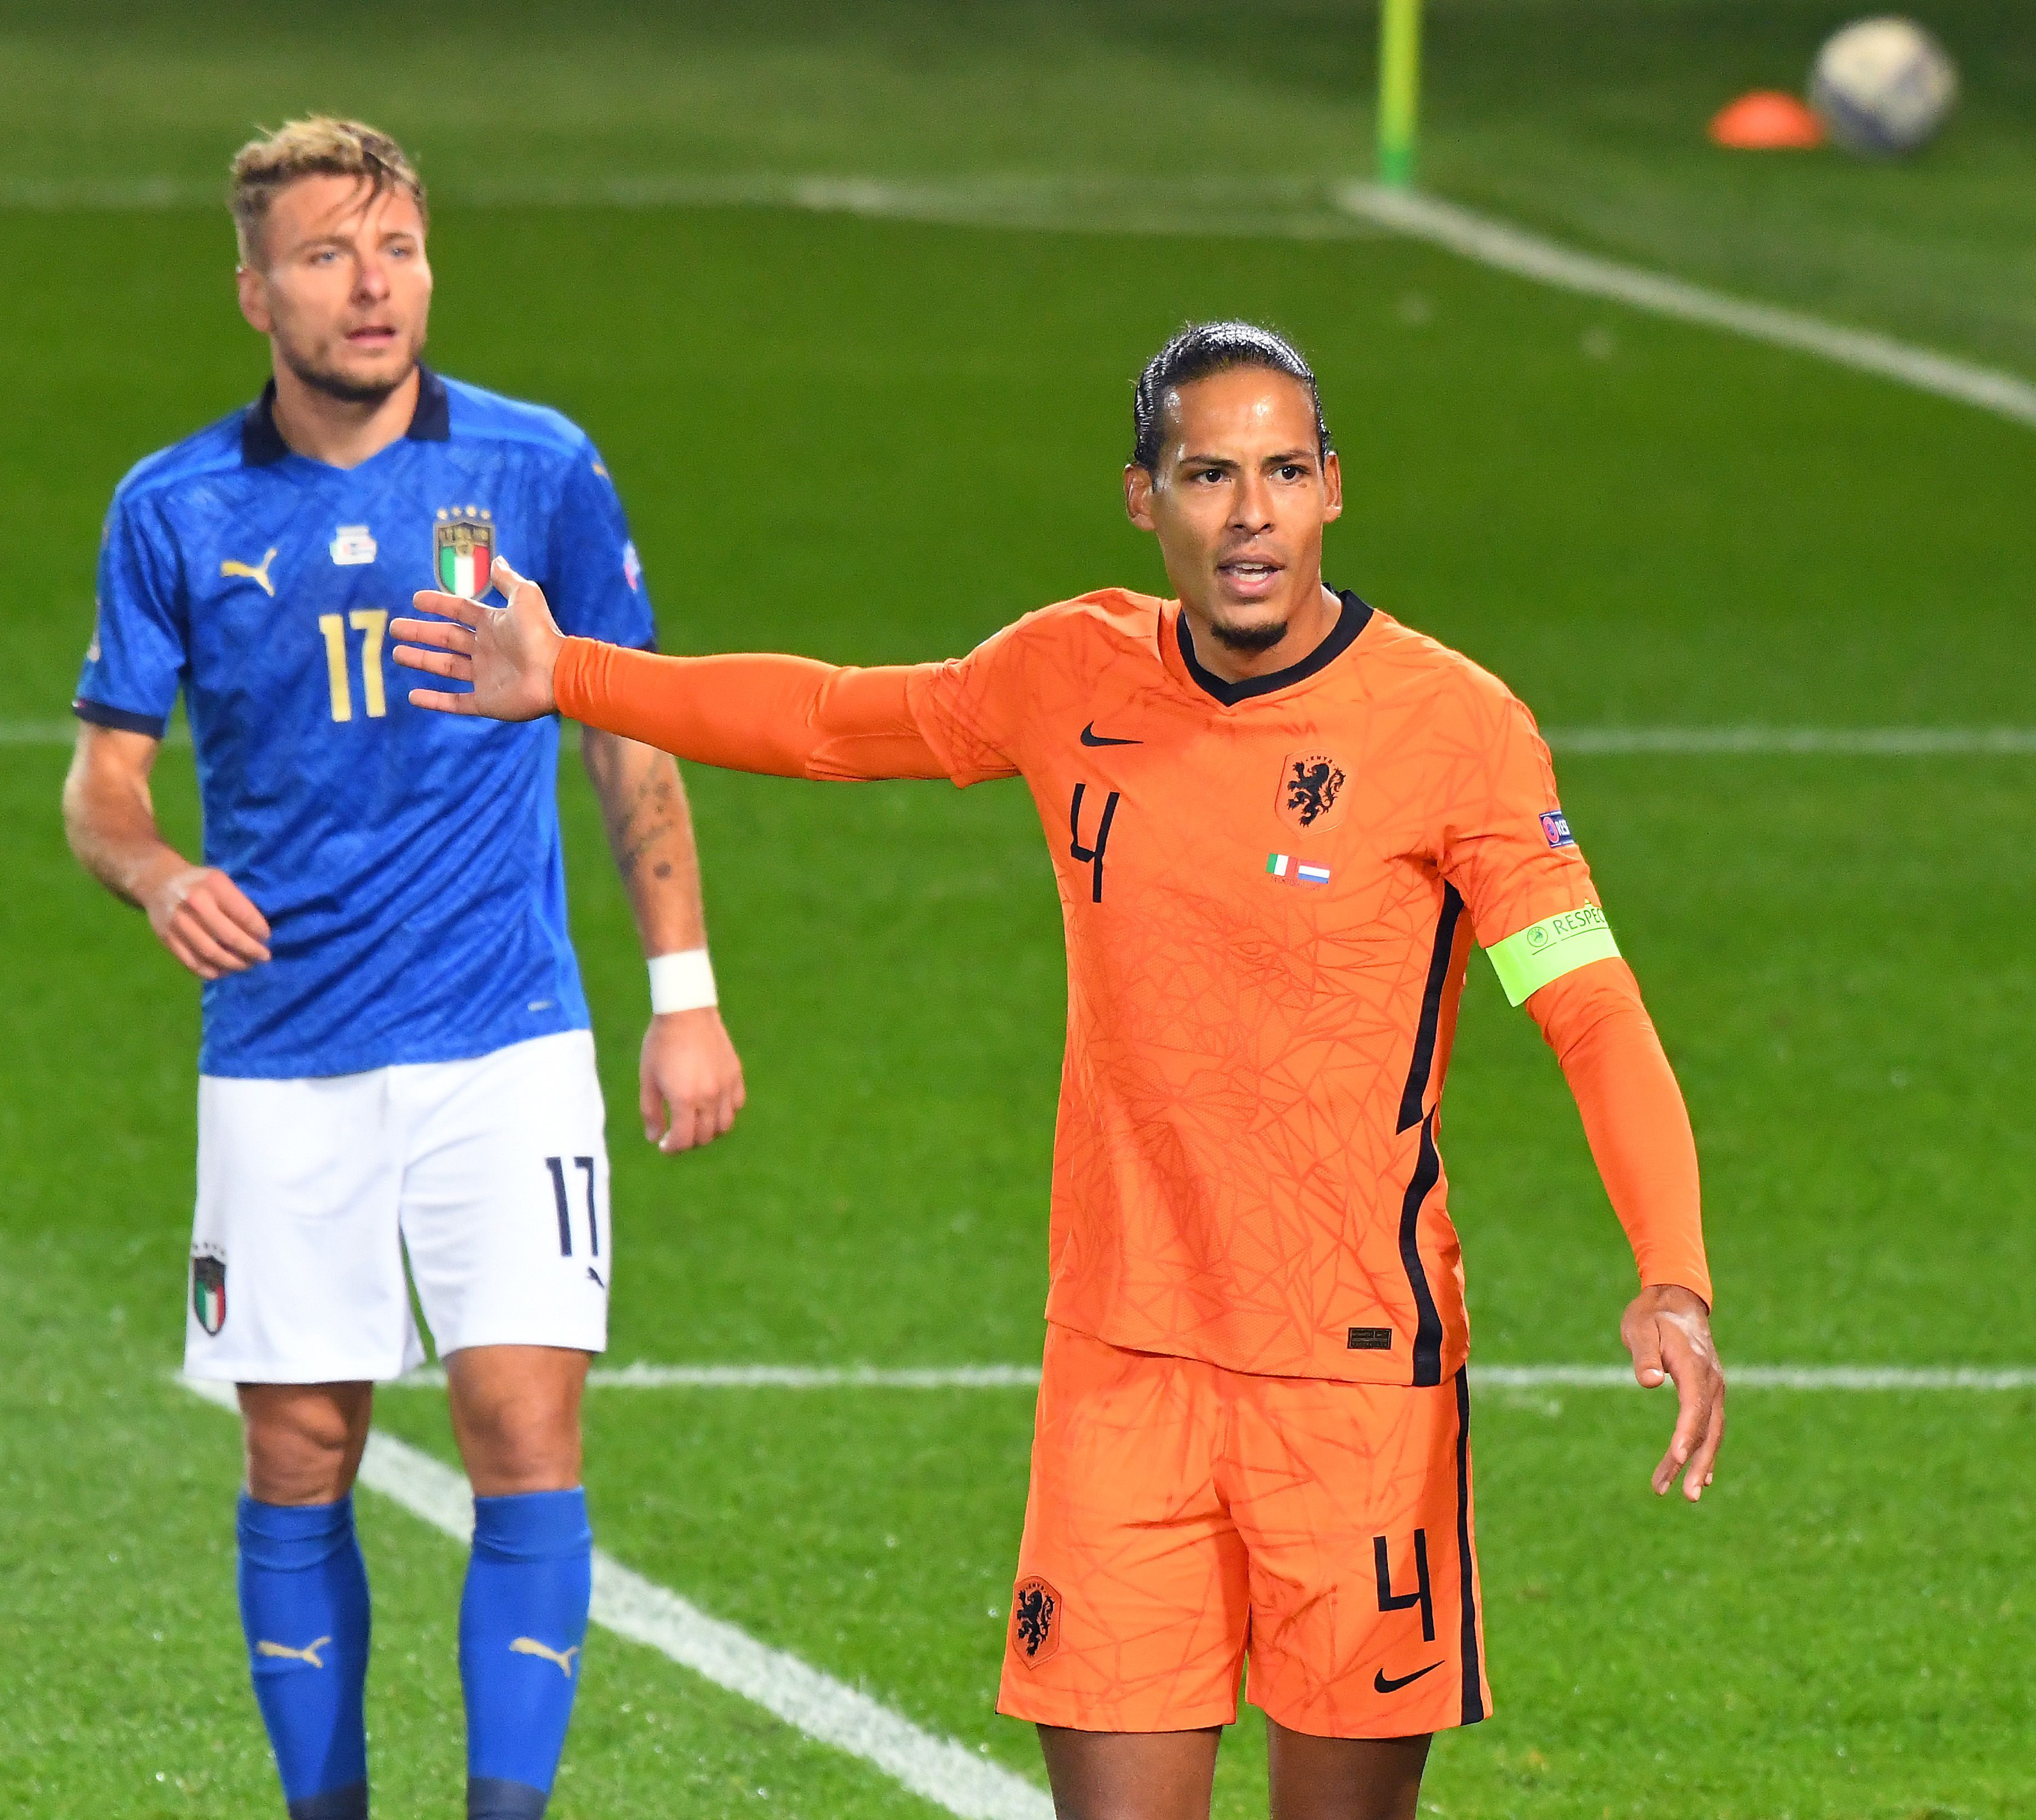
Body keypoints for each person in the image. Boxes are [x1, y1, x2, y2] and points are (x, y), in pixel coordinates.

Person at [392, 321, 1721, 1820]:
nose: (1250, 514)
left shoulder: (1456, 730)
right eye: (1208, 474)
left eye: (1284, 471)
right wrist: (566, 669)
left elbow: (1591, 1011)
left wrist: (1671, 1272)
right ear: (1143, 498)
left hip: (1354, 1389)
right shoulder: (1066, 671)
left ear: (1335, 489)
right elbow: (832, 720)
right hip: (1121, 1371)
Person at [59, 117, 745, 1820]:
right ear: (254, 291)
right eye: (325, 257)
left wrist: (685, 997)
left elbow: (630, 736)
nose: (373, 289)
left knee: (526, 1438)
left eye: (399, 251)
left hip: (504, 1042)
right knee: (298, 1456)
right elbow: (104, 781)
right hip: (283, 1052)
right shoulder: (178, 504)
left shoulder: (535, 471)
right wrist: (154, 872)